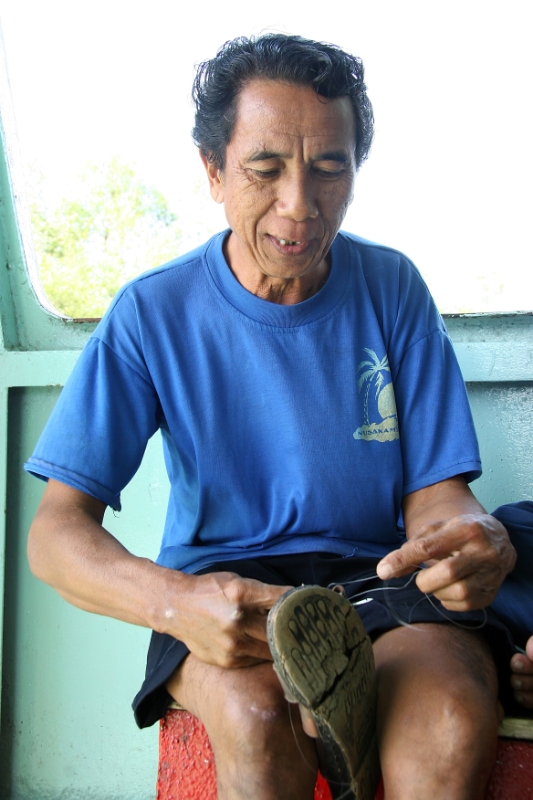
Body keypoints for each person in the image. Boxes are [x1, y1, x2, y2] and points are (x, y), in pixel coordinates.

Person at [25, 34, 521, 800]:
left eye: (330, 167)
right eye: (265, 169)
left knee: (450, 710)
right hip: (224, 592)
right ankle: (322, 718)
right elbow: (57, 535)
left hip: (374, 584)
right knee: (260, 719)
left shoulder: (391, 288)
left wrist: (467, 542)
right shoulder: (152, 313)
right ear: (213, 171)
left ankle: (353, 714)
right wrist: (178, 603)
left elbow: (437, 494)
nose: (299, 203)